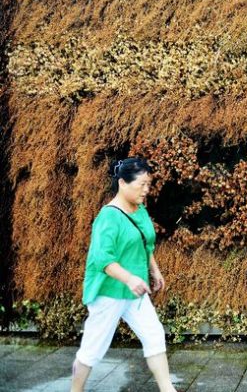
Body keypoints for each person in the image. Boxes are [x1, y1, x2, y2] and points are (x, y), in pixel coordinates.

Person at [71, 158, 176, 392]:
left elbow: (145, 244)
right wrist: (129, 278)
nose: (146, 190)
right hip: (109, 292)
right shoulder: (108, 217)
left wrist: (154, 271)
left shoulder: (140, 211)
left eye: (148, 184)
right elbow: (103, 259)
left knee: (154, 335)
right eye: (141, 185)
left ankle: (167, 389)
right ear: (122, 183)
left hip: (135, 292)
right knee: (92, 349)